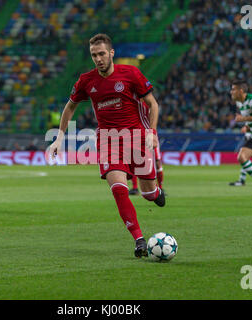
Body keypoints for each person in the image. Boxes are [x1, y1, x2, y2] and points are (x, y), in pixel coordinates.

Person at [49, 34, 165, 258]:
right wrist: (59, 137)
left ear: (111, 53)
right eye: (94, 55)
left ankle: (155, 191)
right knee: (119, 189)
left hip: (137, 138)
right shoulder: (86, 80)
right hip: (109, 140)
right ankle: (139, 239)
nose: (98, 59)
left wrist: (151, 132)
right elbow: (70, 107)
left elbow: (152, 103)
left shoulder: (131, 74)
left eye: (102, 54)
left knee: (148, 193)